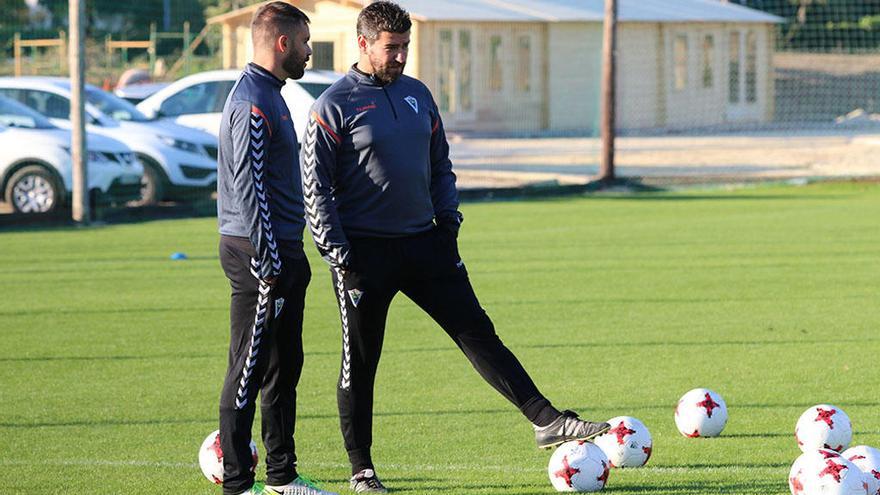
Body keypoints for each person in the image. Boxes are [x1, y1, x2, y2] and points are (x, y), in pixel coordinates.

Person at [300, 2, 610, 493]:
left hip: (427, 244)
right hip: (365, 255)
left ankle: (545, 420)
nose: (400, 56)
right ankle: (362, 469)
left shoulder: (418, 95)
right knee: (360, 360)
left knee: (476, 331)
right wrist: (338, 252)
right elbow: (314, 189)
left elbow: (441, 164)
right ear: (363, 44)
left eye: (405, 46)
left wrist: (449, 222)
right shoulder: (333, 106)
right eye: (391, 47)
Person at [215, 3, 335, 495]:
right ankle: (239, 484)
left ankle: (282, 477)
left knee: (285, 366)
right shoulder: (251, 101)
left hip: (284, 249)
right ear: (283, 43)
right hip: (257, 253)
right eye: (305, 42)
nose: (309, 51)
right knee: (248, 365)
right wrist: (268, 261)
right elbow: (250, 187)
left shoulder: (273, 93)